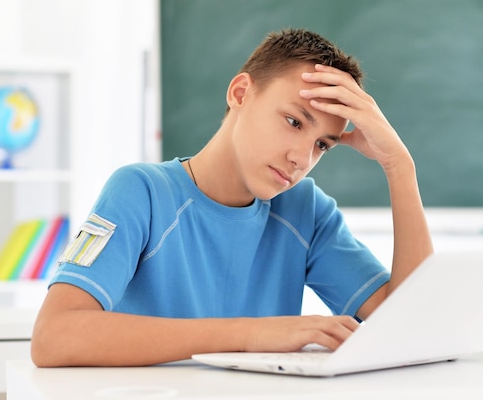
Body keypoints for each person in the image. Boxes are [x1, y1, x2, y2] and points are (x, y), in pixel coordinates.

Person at [31, 28, 433, 367]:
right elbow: (53, 336)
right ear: (241, 93)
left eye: (322, 145)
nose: (301, 158)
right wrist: (252, 333)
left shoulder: (305, 211)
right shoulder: (143, 192)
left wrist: (400, 166)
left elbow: (415, 331)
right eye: (293, 121)